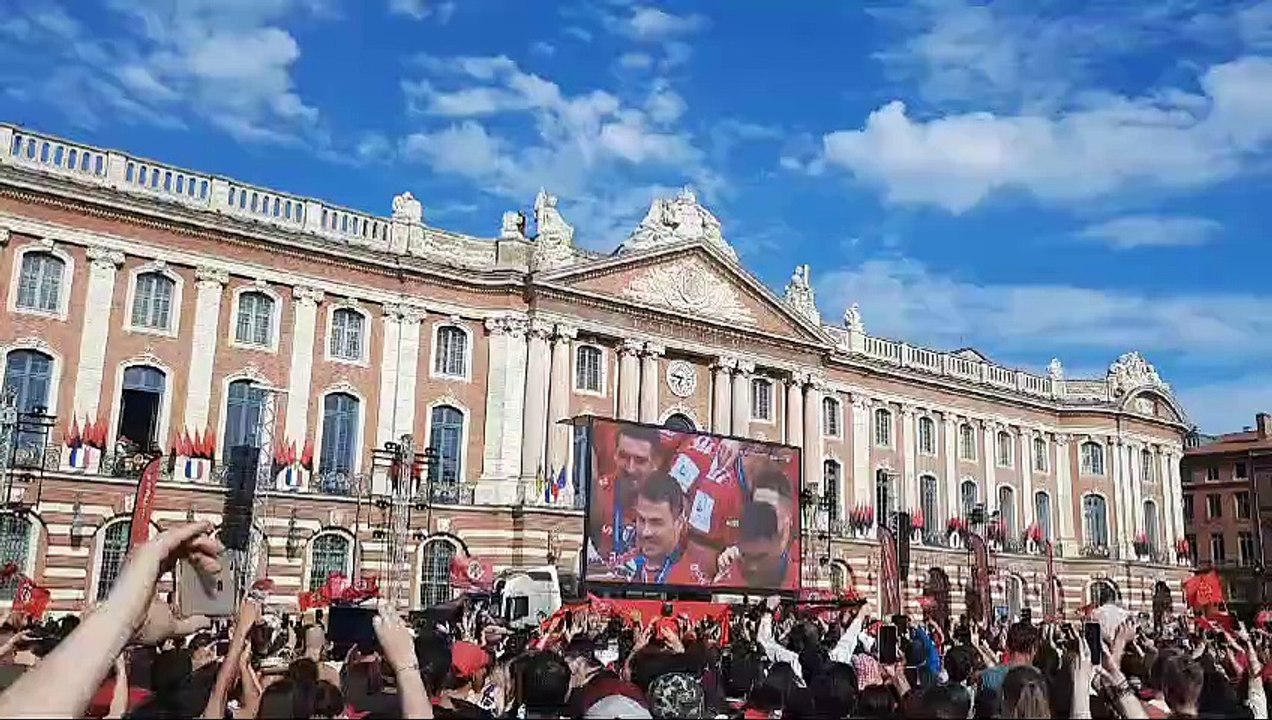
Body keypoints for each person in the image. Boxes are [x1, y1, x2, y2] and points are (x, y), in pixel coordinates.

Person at [609, 473, 717, 586]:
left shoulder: (696, 577)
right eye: (641, 520)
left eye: (656, 523)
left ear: (679, 523)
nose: (646, 532)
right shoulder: (622, 565)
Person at [589, 425, 661, 563]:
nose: (630, 468)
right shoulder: (599, 493)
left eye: (640, 460)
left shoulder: (668, 503)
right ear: (615, 455)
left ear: (656, 463)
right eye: (624, 457)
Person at [714, 502, 793, 588]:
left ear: (778, 542)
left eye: (760, 557)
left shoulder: (798, 578)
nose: (752, 567)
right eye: (746, 556)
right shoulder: (731, 572)